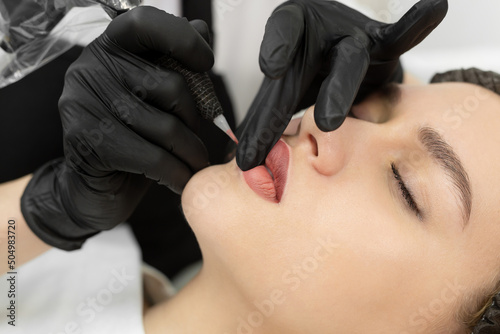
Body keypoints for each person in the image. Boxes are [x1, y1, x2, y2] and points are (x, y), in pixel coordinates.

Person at [2, 69, 500, 333]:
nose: (328, 125)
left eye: (406, 186)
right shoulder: (62, 263)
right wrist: (39, 215)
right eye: (362, 109)